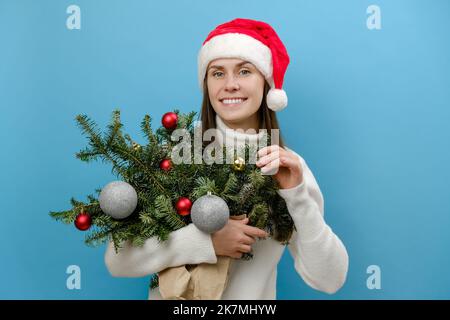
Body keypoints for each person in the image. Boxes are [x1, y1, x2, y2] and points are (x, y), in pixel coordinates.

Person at [104, 18, 349, 299]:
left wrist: (298, 195)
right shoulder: (178, 153)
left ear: (266, 84)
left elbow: (329, 279)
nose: (230, 84)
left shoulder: (286, 167)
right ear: (206, 84)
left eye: (244, 71)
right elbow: (117, 259)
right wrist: (205, 242)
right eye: (218, 73)